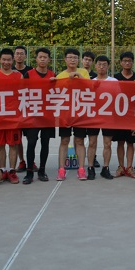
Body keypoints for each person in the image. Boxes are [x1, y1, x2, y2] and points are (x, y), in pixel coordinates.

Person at [21, 47, 56, 184]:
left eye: (45, 57)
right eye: (40, 57)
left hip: (48, 115)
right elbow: (21, 92)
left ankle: (42, 170)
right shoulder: (28, 74)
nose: (42, 59)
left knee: (45, 143)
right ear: (36, 59)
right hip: (33, 114)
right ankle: (29, 172)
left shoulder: (53, 75)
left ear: (49, 59)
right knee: (31, 143)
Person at [55, 48, 90, 181]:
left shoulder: (83, 72)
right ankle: (61, 170)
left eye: (75, 58)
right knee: (64, 140)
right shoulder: (60, 76)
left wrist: (78, 76)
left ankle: (81, 169)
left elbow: (89, 87)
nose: (72, 60)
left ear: (78, 60)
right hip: (65, 112)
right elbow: (56, 93)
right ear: (65, 59)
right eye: (70, 57)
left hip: (80, 111)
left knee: (79, 140)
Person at [0, 48, 23, 184]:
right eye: (4, 59)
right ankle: (2, 170)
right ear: (0, 60)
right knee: (0, 145)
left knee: (13, 145)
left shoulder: (18, 76)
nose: (6, 62)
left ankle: (12, 171)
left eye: (9, 60)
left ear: (12, 60)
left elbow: (22, 95)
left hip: (13, 116)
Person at [86, 56, 117, 180]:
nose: (101, 67)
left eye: (104, 64)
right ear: (95, 66)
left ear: (108, 66)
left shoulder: (114, 81)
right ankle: (90, 168)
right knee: (92, 142)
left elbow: (120, 97)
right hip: (94, 116)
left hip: (108, 117)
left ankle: (105, 168)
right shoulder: (90, 82)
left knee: (107, 143)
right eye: (99, 64)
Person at [113, 51, 135, 179]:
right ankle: (121, 167)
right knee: (120, 142)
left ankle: (129, 167)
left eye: (129, 61)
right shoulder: (115, 78)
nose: (127, 63)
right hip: (119, 115)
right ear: (120, 62)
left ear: (132, 62)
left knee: (130, 142)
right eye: (125, 61)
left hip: (133, 115)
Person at [13, 45, 34, 174]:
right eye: (17, 53)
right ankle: (22, 161)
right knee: (17, 138)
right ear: (14, 56)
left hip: (28, 108)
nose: (19, 56)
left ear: (25, 56)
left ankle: (31, 161)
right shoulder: (9, 70)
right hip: (14, 109)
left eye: (22, 53)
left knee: (31, 138)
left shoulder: (31, 71)